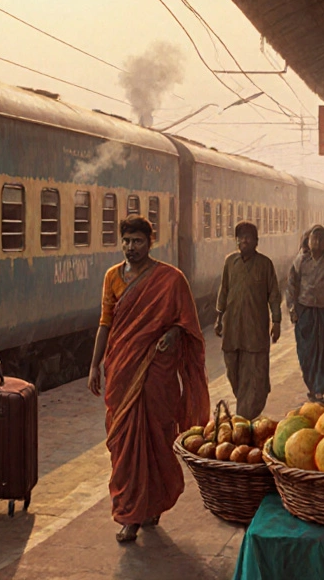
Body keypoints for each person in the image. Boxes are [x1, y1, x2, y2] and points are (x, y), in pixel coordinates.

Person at [88, 216, 208, 543]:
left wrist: (171, 333)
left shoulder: (170, 279)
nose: (131, 247)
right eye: (126, 241)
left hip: (157, 371)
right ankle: (130, 513)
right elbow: (105, 323)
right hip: (121, 369)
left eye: (137, 241)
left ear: (150, 242)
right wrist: (95, 364)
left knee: (157, 436)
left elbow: (188, 326)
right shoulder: (113, 277)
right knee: (122, 442)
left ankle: (149, 506)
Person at [214, 222, 281, 419]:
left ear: (256, 241)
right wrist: (219, 318)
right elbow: (223, 290)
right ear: (236, 240)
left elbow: (274, 296)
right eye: (241, 237)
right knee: (233, 371)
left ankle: (245, 413)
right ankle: (245, 407)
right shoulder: (230, 262)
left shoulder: (265, 264)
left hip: (256, 330)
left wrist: (276, 322)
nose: (244, 240)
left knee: (256, 373)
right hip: (233, 329)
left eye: (248, 237)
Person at [286, 225, 324, 404]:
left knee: (323, 349)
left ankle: (320, 389)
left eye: (322, 239)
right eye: (315, 239)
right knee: (306, 350)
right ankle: (311, 386)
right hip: (305, 310)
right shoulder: (300, 262)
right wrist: (293, 310)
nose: (318, 242)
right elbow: (292, 287)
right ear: (308, 241)